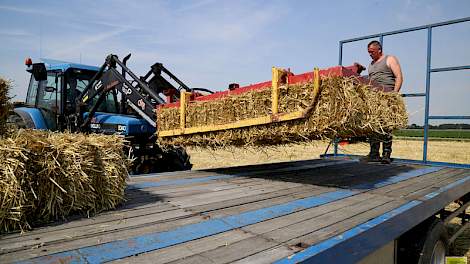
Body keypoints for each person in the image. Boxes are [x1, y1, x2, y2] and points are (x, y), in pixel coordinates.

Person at [362, 40, 403, 164]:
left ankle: (386, 154)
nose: (370, 54)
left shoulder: (390, 59)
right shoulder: (371, 64)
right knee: (373, 125)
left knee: (386, 125)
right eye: (368, 52)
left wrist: (394, 94)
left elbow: (399, 77)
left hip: (387, 96)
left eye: (372, 52)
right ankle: (374, 153)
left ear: (379, 50)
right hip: (374, 98)